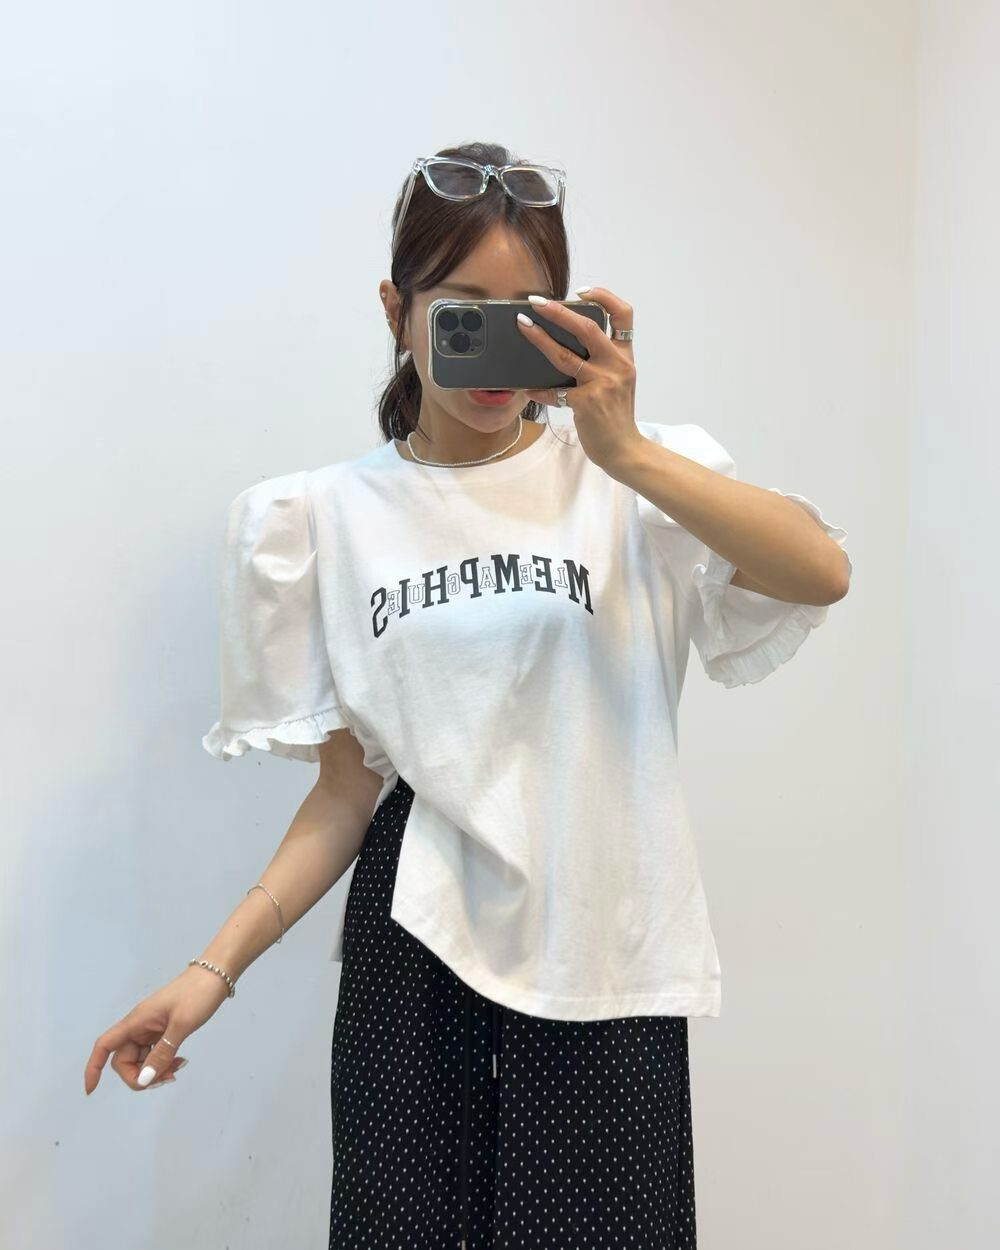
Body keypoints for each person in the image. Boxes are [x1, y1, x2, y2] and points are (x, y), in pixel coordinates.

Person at [84, 141, 852, 1249]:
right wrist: (212, 970)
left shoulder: (631, 481)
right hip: (415, 955)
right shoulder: (323, 518)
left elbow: (820, 572)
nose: (496, 350)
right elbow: (346, 794)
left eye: (525, 313)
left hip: (606, 955)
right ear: (396, 309)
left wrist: (627, 452)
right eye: (460, 310)